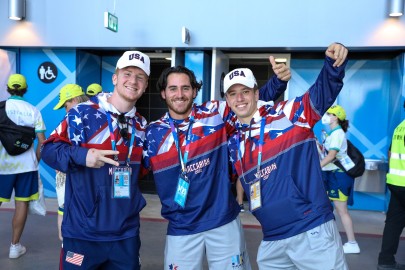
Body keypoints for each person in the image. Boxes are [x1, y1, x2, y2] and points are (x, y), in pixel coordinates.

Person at [143, 57, 291, 269]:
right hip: (181, 227)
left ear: (195, 91)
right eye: (173, 88)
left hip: (223, 221)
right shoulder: (152, 133)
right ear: (164, 93)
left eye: (186, 88)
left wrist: (278, 81)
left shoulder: (215, 113)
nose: (180, 94)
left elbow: (245, 105)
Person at [226, 43, 349, 269]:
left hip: (311, 230)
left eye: (245, 91)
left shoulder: (286, 114)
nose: (240, 98)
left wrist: (332, 64)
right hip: (271, 240)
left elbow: (321, 94)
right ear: (227, 100)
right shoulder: (234, 140)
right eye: (233, 94)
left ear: (256, 93)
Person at [41, 51, 149, 269]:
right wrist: (83, 156)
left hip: (125, 234)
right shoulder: (82, 113)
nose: (133, 81)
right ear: (115, 78)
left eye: (140, 77)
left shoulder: (142, 125)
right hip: (83, 233)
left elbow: (142, 170)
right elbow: (48, 150)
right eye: (127, 73)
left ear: (146, 85)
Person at [0, 74, 46, 259]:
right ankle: (14, 247)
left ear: (8, 88)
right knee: (21, 205)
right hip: (27, 167)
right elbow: (42, 142)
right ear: (25, 89)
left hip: (2, 167)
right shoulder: (33, 110)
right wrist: (35, 160)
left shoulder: (1, 108)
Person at [319, 105, 360, 254]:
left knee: (342, 211)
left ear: (336, 117)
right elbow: (327, 154)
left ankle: (352, 243)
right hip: (332, 174)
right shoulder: (333, 133)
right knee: (331, 209)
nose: (327, 116)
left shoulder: (337, 134)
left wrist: (317, 167)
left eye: (329, 114)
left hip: (338, 175)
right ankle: (331, 240)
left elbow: (331, 156)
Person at [52, 83, 89, 241]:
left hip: (72, 174)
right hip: (86, 177)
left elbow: (51, 144)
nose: (66, 111)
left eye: (66, 106)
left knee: (65, 209)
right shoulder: (97, 114)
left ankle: (66, 245)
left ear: (74, 100)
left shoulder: (71, 118)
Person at [377, 117, 405, 270]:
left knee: (393, 223)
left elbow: (390, 152)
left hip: (395, 182)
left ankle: (386, 262)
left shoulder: (400, 127)